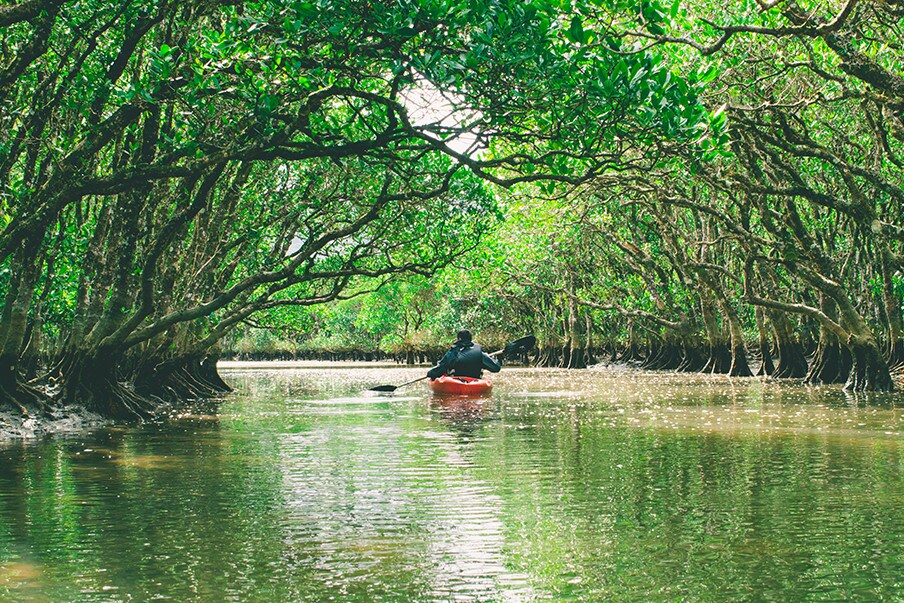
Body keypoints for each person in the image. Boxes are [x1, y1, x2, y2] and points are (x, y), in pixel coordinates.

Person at [427, 329, 501, 379]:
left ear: (459, 339)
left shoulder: (453, 352)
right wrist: (490, 358)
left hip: (456, 382)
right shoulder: (480, 354)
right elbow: (496, 367)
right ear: (470, 339)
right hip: (474, 381)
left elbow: (440, 368)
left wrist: (430, 373)